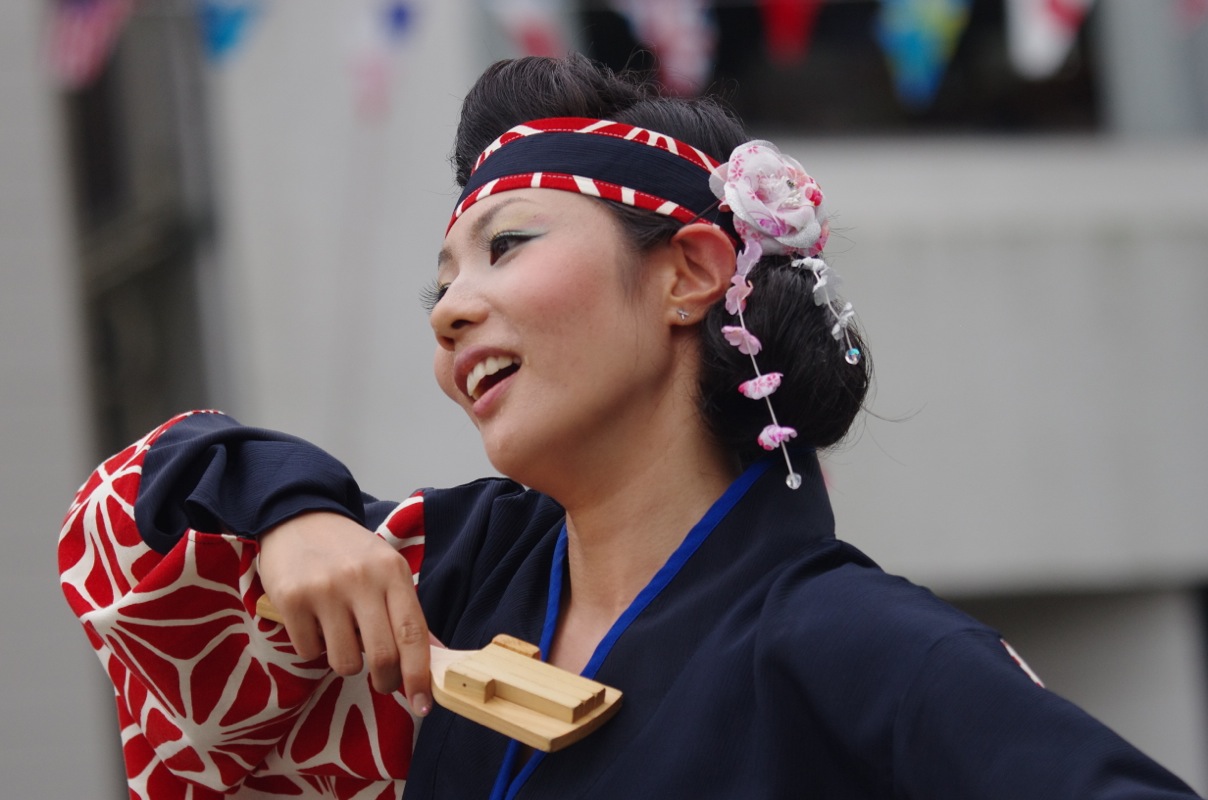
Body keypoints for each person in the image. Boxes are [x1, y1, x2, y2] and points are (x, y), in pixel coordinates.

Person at [59, 54, 1203, 800]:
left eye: (507, 248)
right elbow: (133, 521)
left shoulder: (843, 641)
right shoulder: (457, 573)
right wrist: (291, 513)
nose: (454, 306)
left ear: (689, 273)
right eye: (439, 285)